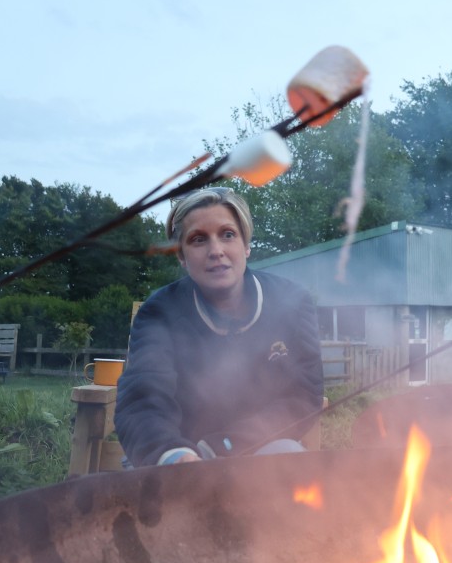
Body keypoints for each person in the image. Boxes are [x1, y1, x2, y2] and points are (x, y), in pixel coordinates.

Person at [115, 187, 324, 466]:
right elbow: (142, 400)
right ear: (181, 256)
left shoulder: (293, 302)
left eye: (228, 235)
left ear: (246, 246)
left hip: (263, 446)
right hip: (175, 454)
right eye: (198, 240)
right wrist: (172, 454)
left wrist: (221, 446)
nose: (216, 251)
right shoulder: (159, 311)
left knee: (287, 463)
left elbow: (303, 395)